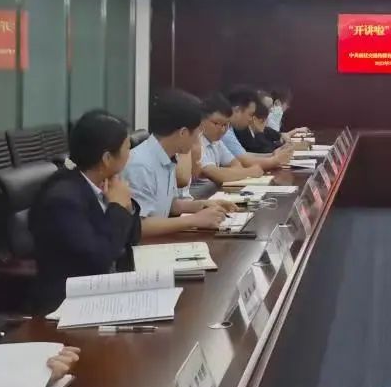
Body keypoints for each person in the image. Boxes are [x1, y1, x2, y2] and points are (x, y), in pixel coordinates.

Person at [29, 110, 141, 312]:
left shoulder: (103, 183)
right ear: (107, 158)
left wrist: (126, 205)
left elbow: (132, 237)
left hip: (102, 288)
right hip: (69, 304)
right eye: (127, 148)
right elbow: (99, 258)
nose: (130, 154)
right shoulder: (63, 200)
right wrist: (116, 207)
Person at [122, 89, 237, 239]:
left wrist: (202, 205)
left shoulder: (167, 156)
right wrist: (194, 220)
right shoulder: (140, 165)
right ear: (183, 133)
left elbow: (167, 204)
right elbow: (139, 226)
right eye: (198, 133)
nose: (198, 140)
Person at [195, 93, 264, 185]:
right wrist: (249, 172)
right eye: (216, 123)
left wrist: (230, 173)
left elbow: (236, 164)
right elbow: (214, 173)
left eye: (226, 124)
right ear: (201, 121)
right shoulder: (196, 141)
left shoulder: (217, 142)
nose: (222, 130)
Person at [221, 86, 295, 169]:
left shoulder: (229, 129)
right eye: (250, 114)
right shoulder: (224, 131)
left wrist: (273, 154)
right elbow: (245, 161)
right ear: (237, 110)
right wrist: (276, 160)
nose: (251, 120)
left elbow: (243, 155)